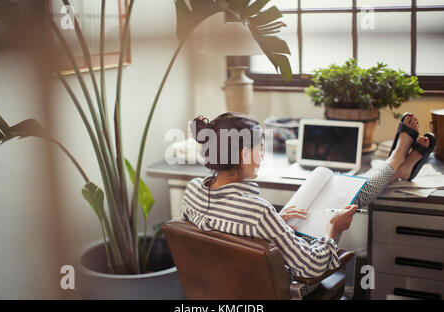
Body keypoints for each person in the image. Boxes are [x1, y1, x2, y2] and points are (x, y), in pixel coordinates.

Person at [180, 111, 433, 297]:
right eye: (260, 148)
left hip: (227, 288)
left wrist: (275, 223)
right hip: (285, 287)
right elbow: (310, 269)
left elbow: (224, 234)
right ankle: (398, 159)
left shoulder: (192, 190)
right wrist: (332, 230)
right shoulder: (258, 213)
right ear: (242, 154)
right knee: (350, 196)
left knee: (339, 193)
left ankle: (398, 168)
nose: (262, 155)